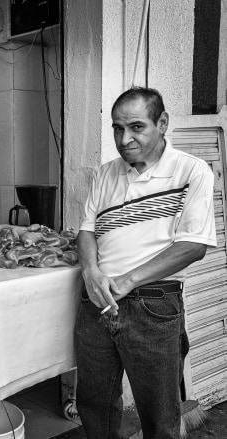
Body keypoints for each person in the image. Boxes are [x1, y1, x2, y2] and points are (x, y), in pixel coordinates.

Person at [75, 87, 216, 438]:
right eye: (117, 128)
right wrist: (91, 272)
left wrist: (127, 281)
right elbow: (86, 230)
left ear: (162, 123)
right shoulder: (105, 173)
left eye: (136, 127)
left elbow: (194, 245)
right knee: (93, 405)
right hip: (96, 302)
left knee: (159, 417)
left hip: (152, 306)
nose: (124, 139)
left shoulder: (191, 171)